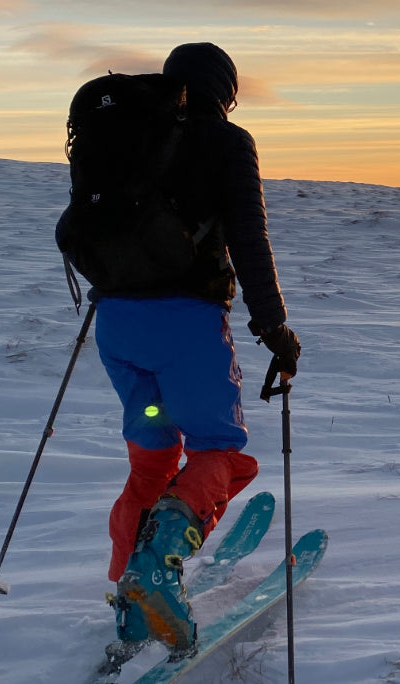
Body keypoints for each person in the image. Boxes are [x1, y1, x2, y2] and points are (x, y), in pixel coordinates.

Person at [97, 42, 301, 652]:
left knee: (151, 462)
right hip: (185, 324)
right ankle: (156, 566)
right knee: (223, 453)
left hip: (116, 324)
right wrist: (274, 329)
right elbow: (248, 238)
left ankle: (129, 597)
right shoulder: (227, 141)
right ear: (226, 91)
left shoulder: (126, 131)